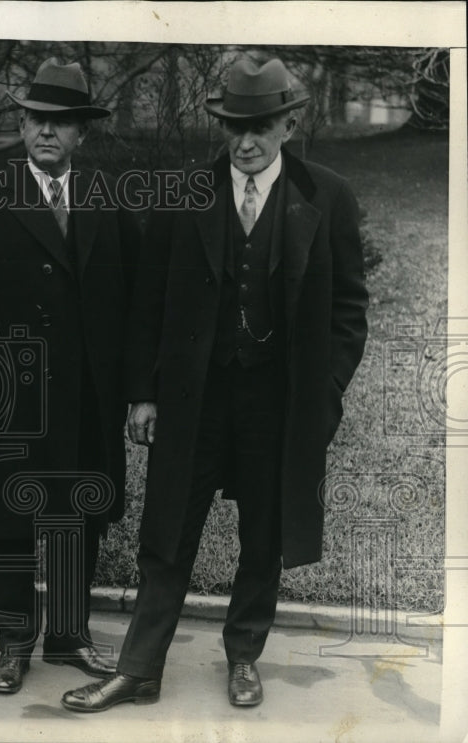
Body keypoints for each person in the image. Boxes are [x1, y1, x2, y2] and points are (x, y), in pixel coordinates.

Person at [61, 57, 369, 713]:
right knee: (167, 529)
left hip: (279, 403)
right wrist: (142, 392)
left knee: (264, 533)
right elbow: (147, 301)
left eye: (261, 127)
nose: (247, 142)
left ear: (289, 122)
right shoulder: (185, 194)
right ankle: (139, 668)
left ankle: (244, 655)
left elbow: (348, 311)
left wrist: (326, 393)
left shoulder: (328, 196)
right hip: (193, 397)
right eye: (234, 128)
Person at [0, 59, 139, 694]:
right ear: (21, 126)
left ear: (82, 133)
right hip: (11, 401)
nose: (47, 132)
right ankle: (14, 643)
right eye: (36, 120)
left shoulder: (108, 200)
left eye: (62, 122)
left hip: (87, 399)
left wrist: (134, 395)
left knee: (79, 517)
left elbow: (132, 306)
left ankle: (70, 636)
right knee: (15, 525)